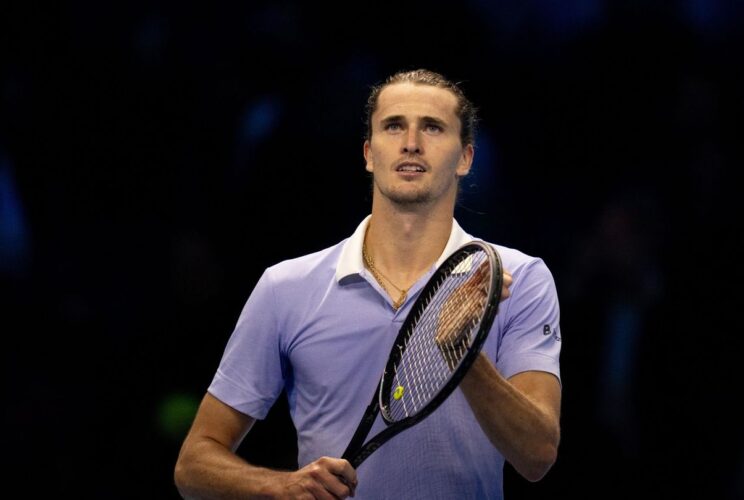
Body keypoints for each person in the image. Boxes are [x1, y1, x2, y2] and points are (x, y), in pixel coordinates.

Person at [174, 68, 563, 499]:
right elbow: (193, 464)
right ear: (369, 153)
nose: (411, 142)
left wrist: (462, 356)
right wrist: (281, 486)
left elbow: (537, 455)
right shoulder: (286, 287)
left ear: (465, 158)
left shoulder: (517, 278)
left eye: (432, 128)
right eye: (393, 126)